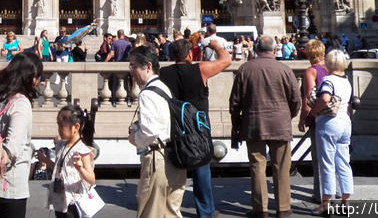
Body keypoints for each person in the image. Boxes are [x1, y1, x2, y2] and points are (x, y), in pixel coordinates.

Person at [229, 35, 300, 218]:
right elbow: (296, 100)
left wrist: (236, 124)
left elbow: (235, 102)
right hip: (280, 124)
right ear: (274, 50)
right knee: (282, 167)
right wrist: (287, 116)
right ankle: (283, 208)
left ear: (256, 49)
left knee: (257, 166)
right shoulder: (285, 70)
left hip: (254, 124)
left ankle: (261, 210)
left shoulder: (245, 69)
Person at [160, 37, 231, 218]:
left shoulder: (164, 73)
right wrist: (215, 45)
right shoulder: (200, 69)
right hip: (198, 127)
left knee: (174, 170)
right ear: (190, 54)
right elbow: (226, 60)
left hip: (175, 126)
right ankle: (205, 212)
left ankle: (170, 210)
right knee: (201, 170)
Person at [0, 51, 41, 217]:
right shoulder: (20, 104)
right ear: (29, 77)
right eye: (37, 76)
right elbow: (11, 149)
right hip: (9, 184)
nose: (38, 81)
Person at [128, 45, 185, 218]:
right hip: (173, 156)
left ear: (148, 66)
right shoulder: (163, 87)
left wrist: (134, 138)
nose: (131, 71)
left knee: (150, 212)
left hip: (156, 158)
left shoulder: (146, 94)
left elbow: (150, 131)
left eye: (134, 66)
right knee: (171, 211)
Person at [310, 50, 354, 215]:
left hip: (329, 123)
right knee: (344, 162)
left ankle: (326, 203)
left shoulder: (328, 80)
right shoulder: (346, 81)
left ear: (328, 64)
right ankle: (345, 200)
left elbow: (325, 98)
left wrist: (314, 111)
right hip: (345, 123)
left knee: (327, 163)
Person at [49, 104, 97, 218]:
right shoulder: (60, 145)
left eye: (62, 126)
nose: (59, 130)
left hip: (73, 200)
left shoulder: (82, 150)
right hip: (59, 197)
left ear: (76, 127)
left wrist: (80, 168)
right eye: (58, 126)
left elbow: (92, 179)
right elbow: (58, 167)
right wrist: (46, 160)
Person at [298, 39, 329, 204]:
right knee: (333, 157)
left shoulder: (312, 71)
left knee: (318, 158)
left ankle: (321, 194)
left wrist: (302, 119)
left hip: (318, 119)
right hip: (335, 118)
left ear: (309, 53)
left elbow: (309, 99)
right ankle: (335, 191)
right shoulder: (332, 69)